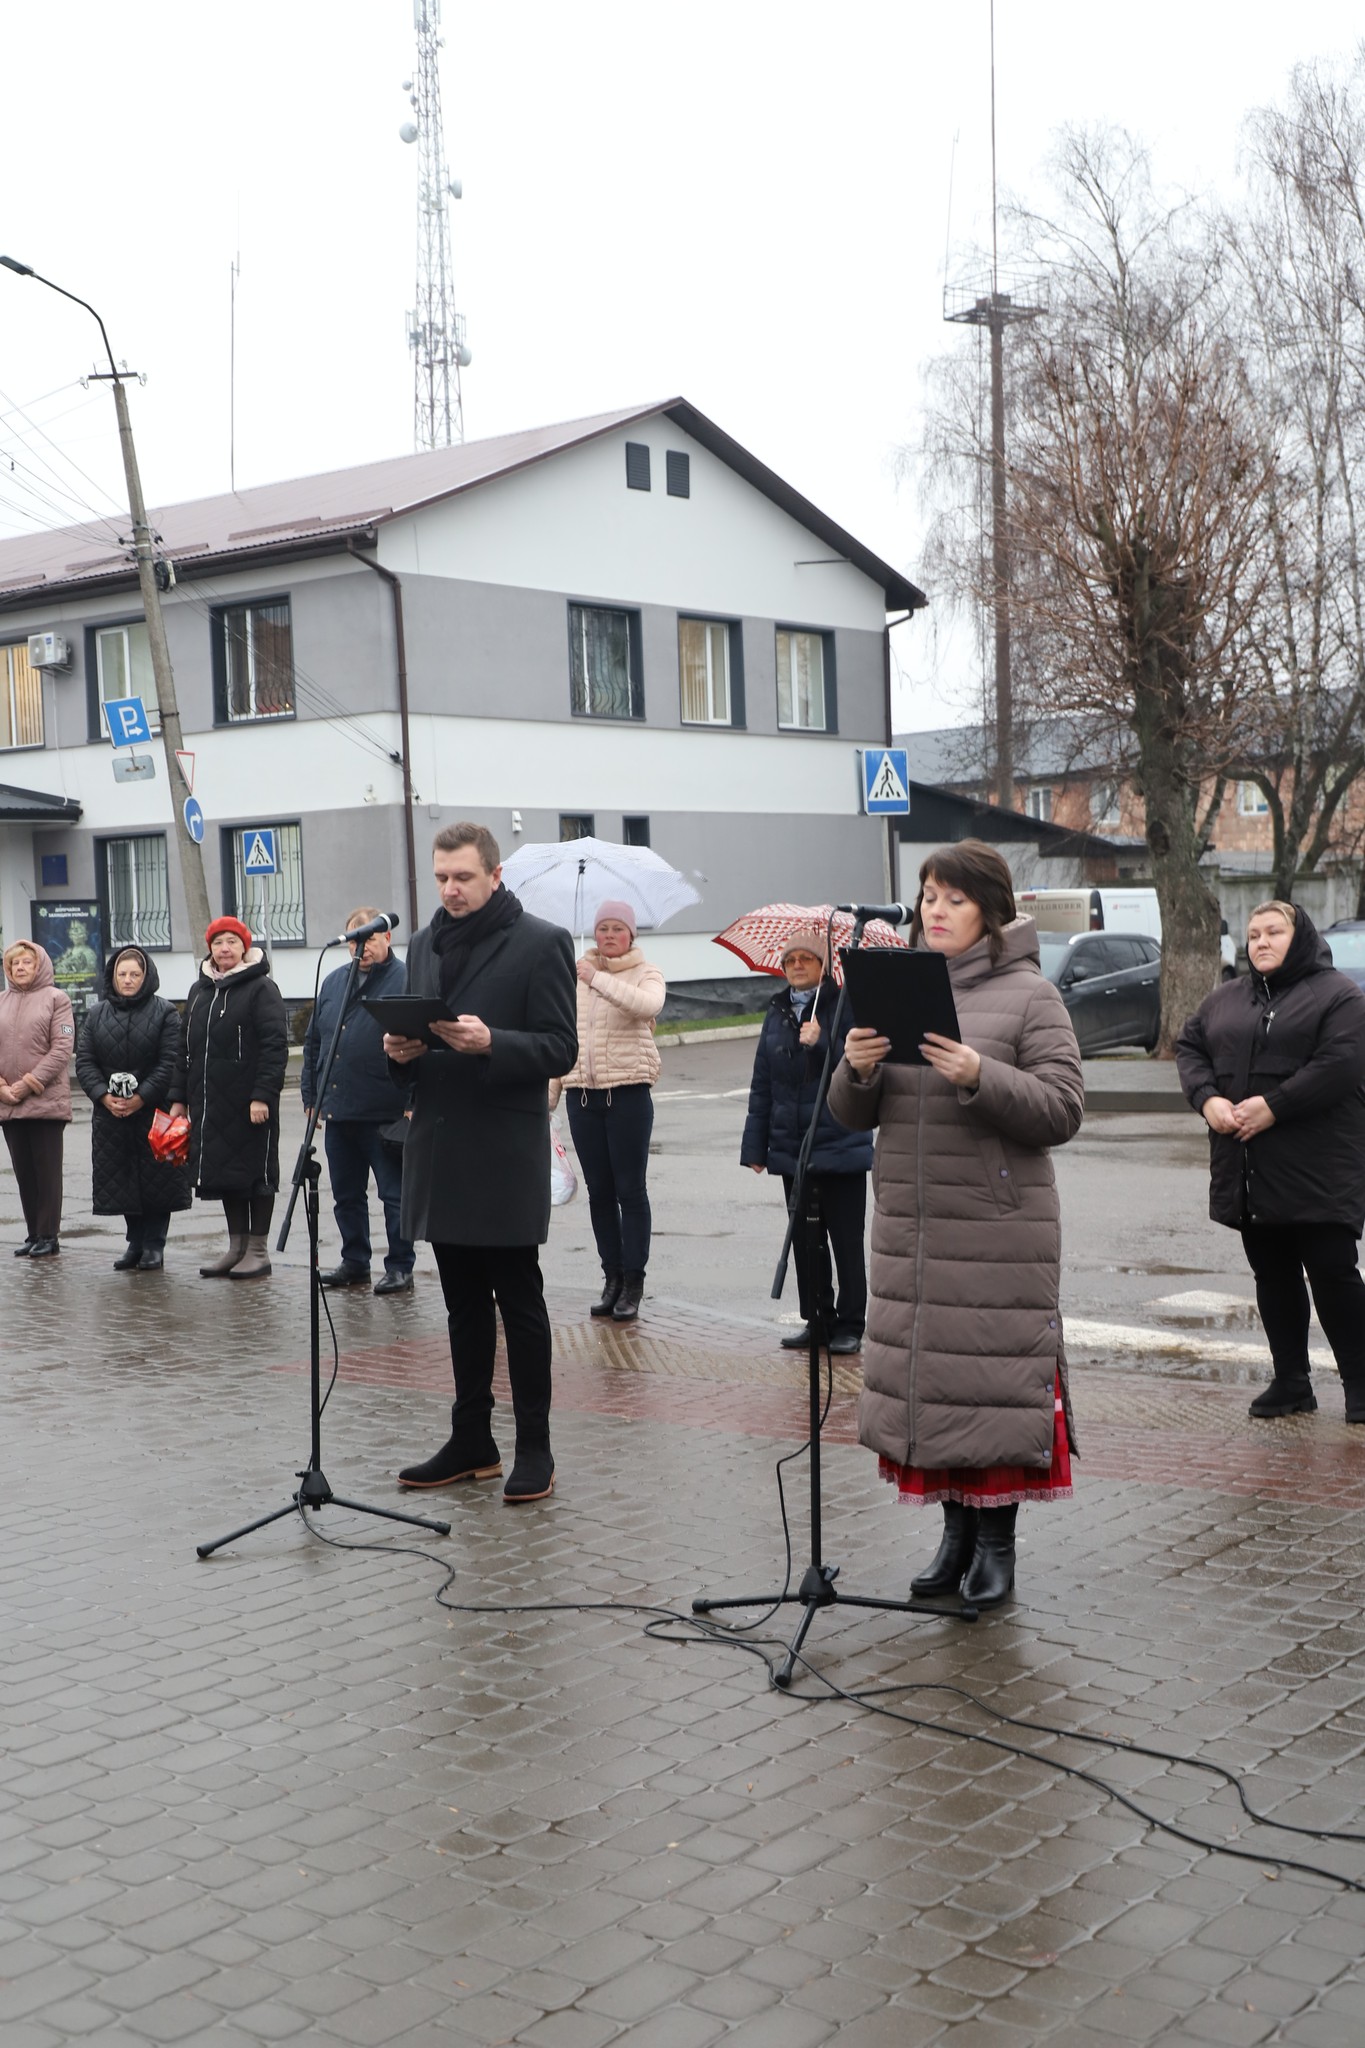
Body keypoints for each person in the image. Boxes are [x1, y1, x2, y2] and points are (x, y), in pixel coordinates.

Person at [828, 840, 1085, 1609]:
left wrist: (981, 1075)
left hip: (994, 1231)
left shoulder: (1030, 995)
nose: (933, 911)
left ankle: (996, 1545)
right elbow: (850, 1114)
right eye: (926, 897)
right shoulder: (897, 989)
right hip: (911, 1225)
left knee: (989, 1385)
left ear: (990, 913)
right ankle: (952, 1538)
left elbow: (1063, 1109)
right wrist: (857, 1067)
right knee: (929, 1388)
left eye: (952, 899)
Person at [385, 823, 577, 1503]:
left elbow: (559, 1049)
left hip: (502, 1150)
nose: (450, 890)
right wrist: (400, 1052)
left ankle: (535, 1449)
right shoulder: (422, 941)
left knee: (517, 1302)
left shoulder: (541, 942)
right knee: (462, 1305)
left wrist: (493, 1041)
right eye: (440, 877)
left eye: (462, 877)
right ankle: (472, 1441)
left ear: (495, 876)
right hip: (440, 1144)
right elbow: (418, 1032)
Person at [1176, 899, 1365, 1424]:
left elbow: (1342, 1065)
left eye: (1274, 932)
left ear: (1298, 936)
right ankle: (1291, 1382)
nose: (1260, 941)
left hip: (1319, 1167)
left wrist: (1273, 1107)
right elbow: (1189, 1047)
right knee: (1273, 1273)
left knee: (1332, 1271)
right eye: (1253, 933)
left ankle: (1360, 1381)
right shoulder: (1225, 999)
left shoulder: (1339, 996)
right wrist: (1207, 1099)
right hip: (1250, 1168)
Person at [741, 927, 872, 1356]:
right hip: (793, 1148)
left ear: (823, 966)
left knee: (846, 1242)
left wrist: (822, 1044)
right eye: (790, 960)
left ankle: (851, 1323)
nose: (797, 965)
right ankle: (817, 1321)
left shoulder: (846, 1005)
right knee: (805, 1241)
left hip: (840, 1143)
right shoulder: (777, 1011)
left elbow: (861, 1072)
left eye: (806, 959)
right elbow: (762, 1084)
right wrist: (755, 1148)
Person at [550, 900, 665, 1323]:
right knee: (599, 1192)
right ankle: (611, 1277)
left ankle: (633, 1282)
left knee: (629, 1191)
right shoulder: (575, 977)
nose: (610, 936)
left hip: (628, 1096)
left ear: (631, 935)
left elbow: (647, 1006)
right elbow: (564, 1036)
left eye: (618, 929)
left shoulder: (645, 972)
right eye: (603, 929)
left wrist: (597, 978)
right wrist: (550, 1097)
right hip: (583, 1097)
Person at [302, 907, 416, 1296]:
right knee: (346, 1194)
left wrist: (413, 1102)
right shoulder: (334, 982)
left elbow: (420, 1044)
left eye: (369, 938)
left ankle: (400, 1265)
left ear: (387, 938)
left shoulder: (405, 980)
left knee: (393, 1195)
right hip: (339, 1109)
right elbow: (314, 1042)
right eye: (354, 938)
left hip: (386, 1110)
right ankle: (355, 1261)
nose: (361, 946)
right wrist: (310, 1096)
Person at [185, 916, 288, 1280]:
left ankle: (257, 1250)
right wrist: (180, 1099)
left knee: (255, 1174)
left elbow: (276, 1047)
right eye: (218, 942)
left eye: (231, 941)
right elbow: (186, 1049)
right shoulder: (200, 992)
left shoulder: (262, 989)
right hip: (211, 1104)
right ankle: (236, 1247)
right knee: (227, 1174)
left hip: (250, 1104)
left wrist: (262, 1095)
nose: (224, 949)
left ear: (245, 947)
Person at [75, 947, 191, 1270]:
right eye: (122, 974)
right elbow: (85, 1061)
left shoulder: (165, 1012)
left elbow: (169, 1062)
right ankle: (135, 1243)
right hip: (111, 1115)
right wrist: (103, 1096)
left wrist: (142, 1096)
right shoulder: (97, 1014)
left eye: (135, 975)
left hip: (154, 1112)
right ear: (113, 976)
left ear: (146, 977)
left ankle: (155, 1244)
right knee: (121, 1179)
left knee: (158, 1181)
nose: (128, 980)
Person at [0, 940, 75, 1258]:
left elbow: (62, 1049)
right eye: (14, 964)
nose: (20, 968)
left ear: (39, 965)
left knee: (46, 1172)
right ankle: (33, 1233)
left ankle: (49, 1235)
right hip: (8, 1102)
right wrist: (2, 1087)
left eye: (26, 963)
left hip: (44, 1101)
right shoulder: (1, 1001)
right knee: (24, 1172)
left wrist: (27, 1084)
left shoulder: (57, 999)